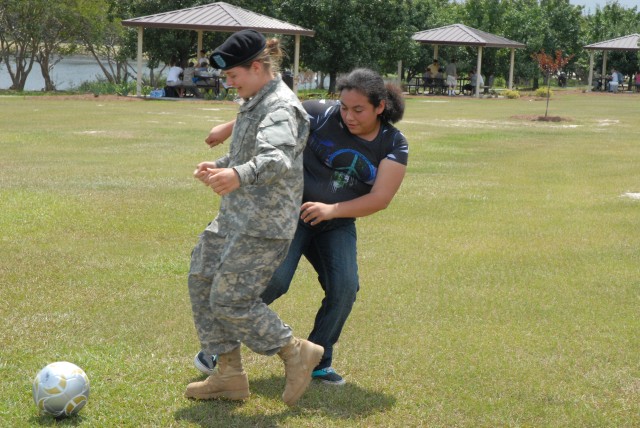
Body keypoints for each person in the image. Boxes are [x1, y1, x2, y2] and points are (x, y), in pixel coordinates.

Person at [195, 68, 409, 386]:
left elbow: (380, 198)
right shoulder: (321, 113)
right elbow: (274, 114)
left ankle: (318, 361)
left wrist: (331, 210)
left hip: (335, 223)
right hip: (289, 214)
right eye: (344, 107)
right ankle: (219, 344)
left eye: (358, 109)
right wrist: (228, 128)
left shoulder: (393, 144)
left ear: (380, 107)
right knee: (275, 280)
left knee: (345, 288)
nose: (348, 116)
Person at [185, 29, 323, 407]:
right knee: (201, 278)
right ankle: (229, 375)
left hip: (263, 224)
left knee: (231, 300)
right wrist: (221, 166)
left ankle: (295, 351)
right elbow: (249, 152)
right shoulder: (254, 99)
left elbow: (277, 159)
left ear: (258, 67)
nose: (230, 84)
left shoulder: (280, 106)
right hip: (234, 217)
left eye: (233, 77)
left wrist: (237, 175)